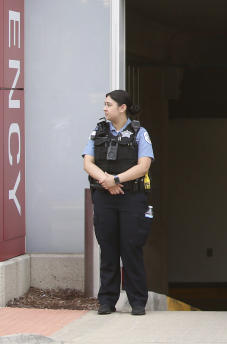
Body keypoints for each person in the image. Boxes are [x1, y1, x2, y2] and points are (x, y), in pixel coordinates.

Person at [81, 90, 155, 316]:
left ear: (122, 108)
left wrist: (116, 180)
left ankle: (138, 302)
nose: (104, 108)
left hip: (132, 198)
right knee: (109, 249)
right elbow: (87, 163)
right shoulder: (99, 131)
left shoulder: (139, 133)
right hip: (104, 198)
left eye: (108, 104)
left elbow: (143, 166)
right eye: (104, 104)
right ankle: (107, 301)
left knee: (131, 249)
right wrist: (106, 181)